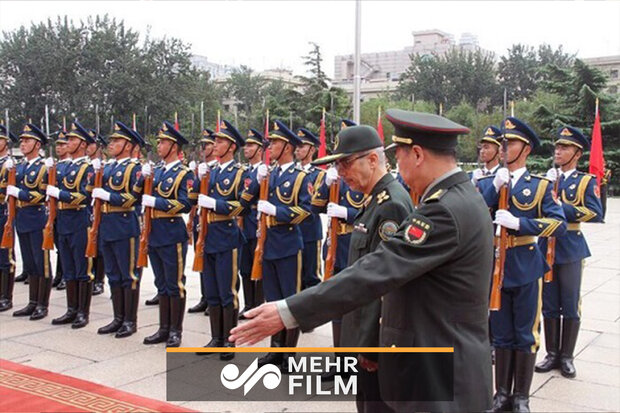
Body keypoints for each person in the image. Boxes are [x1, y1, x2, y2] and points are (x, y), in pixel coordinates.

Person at [231, 109, 494, 412]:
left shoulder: (443, 210)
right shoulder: (458, 198)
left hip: (440, 378)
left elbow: (379, 268)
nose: (396, 164)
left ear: (418, 154)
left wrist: (289, 311)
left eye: (400, 155)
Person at [317, 124, 415, 412]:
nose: (341, 172)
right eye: (337, 164)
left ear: (373, 160)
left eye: (346, 163)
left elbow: (386, 282)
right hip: (363, 331)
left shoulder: (391, 205)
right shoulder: (375, 199)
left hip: (377, 341)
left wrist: (370, 345)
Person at [479, 117, 567, 413]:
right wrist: (494, 186)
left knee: (525, 334)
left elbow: (559, 224)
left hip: (526, 264)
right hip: (496, 266)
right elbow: (475, 213)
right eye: (502, 144)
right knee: (501, 333)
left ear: (526, 149)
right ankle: (501, 394)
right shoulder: (488, 183)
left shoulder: (539, 186)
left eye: (510, 144)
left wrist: (521, 223)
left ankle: (521, 397)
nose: (504, 149)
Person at [238, 119, 312, 373]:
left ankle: (289, 356)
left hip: (288, 243)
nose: (270, 148)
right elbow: (245, 200)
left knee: (290, 301)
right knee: (273, 299)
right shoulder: (269, 174)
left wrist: (277, 211)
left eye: (276, 144)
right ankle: (275, 350)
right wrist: (257, 181)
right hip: (267, 243)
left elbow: (305, 211)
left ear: (288, 147)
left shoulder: (300, 176)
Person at [535, 126, 603, 379]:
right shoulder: (546, 178)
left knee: (570, 302)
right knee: (550, 303)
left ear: (577, 153)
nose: (558, 151)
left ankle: (567, 356)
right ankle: (552, 353)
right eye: (557, 147)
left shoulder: (585, 181)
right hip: (546, 245)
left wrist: (561, 206)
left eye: (564, 148)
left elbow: (595, 212)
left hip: (570, 246)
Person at [192, 119, 247, 359]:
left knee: (227, 291)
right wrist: (198, 177)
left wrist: (216, 204)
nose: (215, 144)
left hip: (227, 235)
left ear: (232, 147)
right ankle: (216, 337)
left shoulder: (239, 173)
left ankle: (230, 340)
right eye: (215, 140)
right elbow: (193, 197)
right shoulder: (210, 172)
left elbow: (242, 207)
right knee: (212, 290)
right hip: (208, 235)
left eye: (221, 141)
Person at [140, 121, 192, 348]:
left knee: (174, 284)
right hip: (154, 231)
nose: (158, 145)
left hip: (172, 231)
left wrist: (157, 202)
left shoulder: (184, 173)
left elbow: (185, 204)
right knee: (161, 284)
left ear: (173, 146)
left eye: (162, 142)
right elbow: (138, 195)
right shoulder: (156, 171)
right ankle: (163, 328)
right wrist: (141, 179)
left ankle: (175, 331)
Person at [92, 121, 143, 338]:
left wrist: (108, 196)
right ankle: (118, 317)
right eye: (111, 140)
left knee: (128, 275)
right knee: (113, 274)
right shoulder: (108, 167)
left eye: (117, 141)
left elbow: (133, 197)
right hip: (107, 225)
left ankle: (130, 321)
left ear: (129, 145)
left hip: (124, 225)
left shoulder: (135, 169)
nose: (111, 144)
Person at [47, 121, 96, 328]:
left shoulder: (88, 167)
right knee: (68, 267)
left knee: (82, 268)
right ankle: (71, 309)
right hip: (63, 220)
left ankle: (83, 312)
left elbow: (85, 196)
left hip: (79, 220)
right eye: (69, 139)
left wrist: (60, 194)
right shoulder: (64, 167)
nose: (69, 142)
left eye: (73, 139)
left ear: (83, 144)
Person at [7, 123, 52, 320]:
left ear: (37, 144)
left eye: (27, 141)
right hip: (22, 219)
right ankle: (32, 302)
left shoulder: (44, 167)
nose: (23, 144)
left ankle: (43, 304)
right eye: (22, 141)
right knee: (30, 264)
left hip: (37, 219)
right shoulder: (21, 166)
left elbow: (42, 195)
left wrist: (19, 193)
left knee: (42, 264)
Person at [187, 127, 217, 316]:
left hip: (215, 221)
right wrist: (197, 177)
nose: (202, 149)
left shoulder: (220, 169)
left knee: (216, 266)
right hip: (200, 219)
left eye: (206, 145)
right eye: (202, 145)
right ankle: (205, 297)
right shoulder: (202, 169)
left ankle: (214, 298)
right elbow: (192, 197)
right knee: (201, 260)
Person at [238, 128, 265, 319]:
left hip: (259, 225)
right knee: (245, 267)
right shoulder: (243, 172)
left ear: (260, 149)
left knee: (259, 268)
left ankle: (258, 305)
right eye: (246, 145)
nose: (246, 149)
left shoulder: (267, 172)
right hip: (244, 225)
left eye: (251, 145)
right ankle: (248, 304)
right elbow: (242, 198)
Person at [294, 127, 325, 290]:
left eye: (302, 147)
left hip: (309, 231)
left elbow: (316, 201)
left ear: (312, 149)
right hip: (293, 230)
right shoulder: (293, 173)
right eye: (297, 147)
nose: (297, 150)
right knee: (295, 275)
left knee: (310, 275)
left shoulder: (319, 174)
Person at [0, 124, 18, 312]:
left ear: (6, 142)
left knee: (6, 255)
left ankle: (6, 296)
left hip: (3, 211)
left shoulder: (9, 164)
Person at [88, 130, 108, 296]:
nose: (88, 147)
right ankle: (91, 275)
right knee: (90, 245)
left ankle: (99, 280)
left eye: (91, 144)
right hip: (88, 210)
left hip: (102, 211)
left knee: (100, 248)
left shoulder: (104, 166)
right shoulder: (86, 165)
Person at [51, 130, 71, 291]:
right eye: (58, 144)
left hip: (68, 211)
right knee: (59, 246)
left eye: (63, 144)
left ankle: (65, 275)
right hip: (56, 211)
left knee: (66, 247)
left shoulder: (70, 166)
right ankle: (59, 274)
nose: (59, 147)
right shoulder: (55, 165)